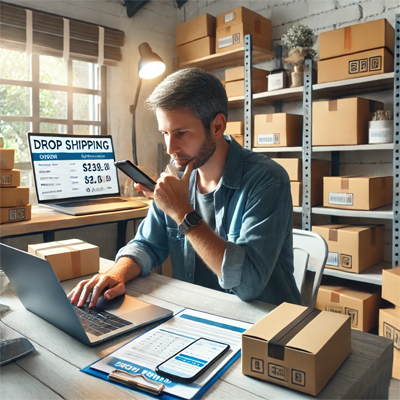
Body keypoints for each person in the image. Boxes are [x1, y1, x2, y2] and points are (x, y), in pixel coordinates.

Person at [68, 68, 301, 308]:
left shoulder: (268, 181)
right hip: (199, 314)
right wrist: (116, 274)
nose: (170, 148)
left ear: (217, 126)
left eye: (181, 133)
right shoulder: (176, 176)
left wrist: (182, 213)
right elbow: (146, 244)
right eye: (165, 133)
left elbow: (247, 284)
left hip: (264, 324)